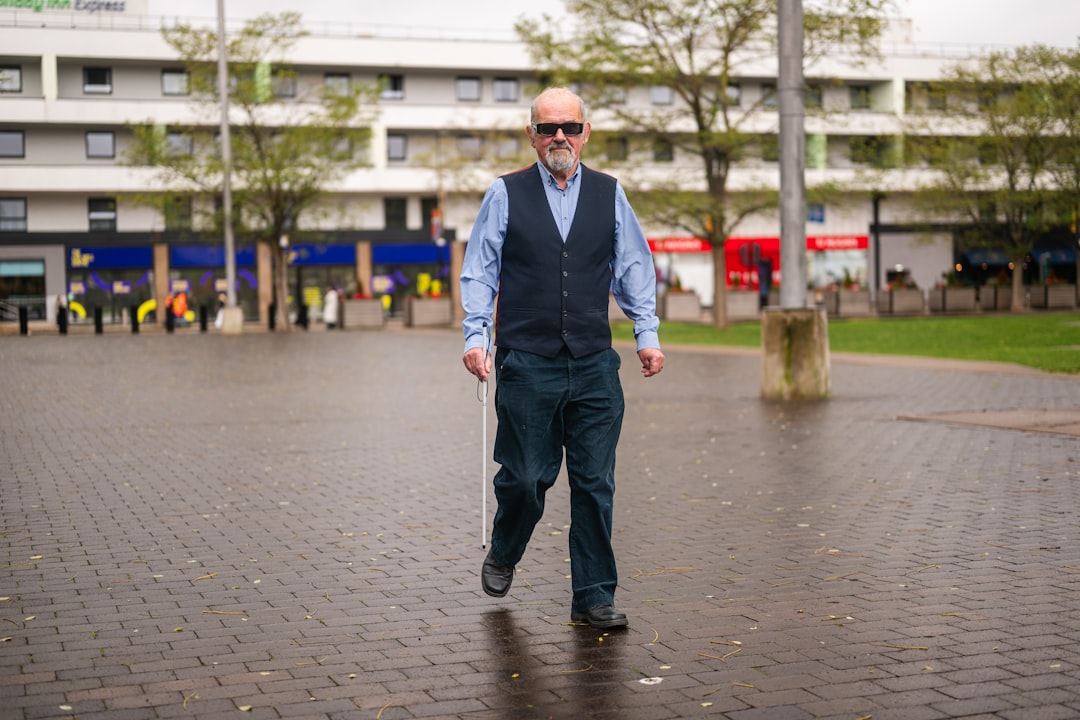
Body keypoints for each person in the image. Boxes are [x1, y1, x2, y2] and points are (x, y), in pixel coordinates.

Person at [460, 87, 664, 630]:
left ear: (585, 133)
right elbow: (480, 269)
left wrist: (647, 333)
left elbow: (633, 267)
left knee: (595, 483)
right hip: (527, 361)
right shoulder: (504, 194)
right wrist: (475, 336)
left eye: (569, 128)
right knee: (526, 477)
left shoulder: (609, 193)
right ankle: (506, 547)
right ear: (531, 134)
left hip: (595, 362)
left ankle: (594, 594)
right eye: (547, 128)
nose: (559, 138)